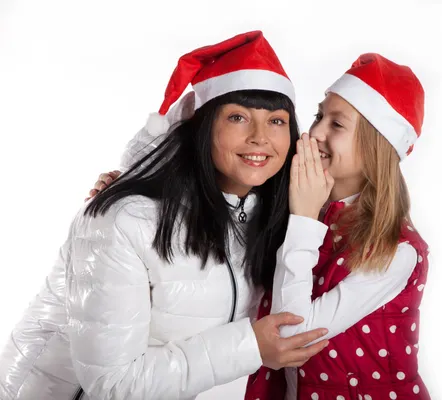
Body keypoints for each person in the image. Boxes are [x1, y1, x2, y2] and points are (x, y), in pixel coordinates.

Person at [0, 31, 329, 400]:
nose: (260, 137)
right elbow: (112, 386)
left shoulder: (268, 215)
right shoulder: (124, 222)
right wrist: (249, 347)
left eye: (276, 121)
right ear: (203, 128)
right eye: (238, 117)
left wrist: (305, 220)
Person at [245, 53, 431, 399]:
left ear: (377, 144)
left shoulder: (396, 250)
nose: (314, 133)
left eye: (336, 124)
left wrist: (302, 218)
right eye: (318, 116)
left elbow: (292, 337)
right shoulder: (304, 208)